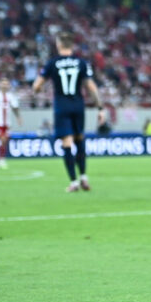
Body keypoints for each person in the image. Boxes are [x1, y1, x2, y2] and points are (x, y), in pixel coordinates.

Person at [32, 32, 105, 192]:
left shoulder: (52, 63)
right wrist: (100, 108)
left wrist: (39, 91)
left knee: (67, 142)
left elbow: (36, 86)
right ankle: (84, 177)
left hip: (62, 106)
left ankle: (73, 182)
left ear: (58, 44)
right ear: (72, 45)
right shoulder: (81, 63)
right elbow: (91, 87)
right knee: (79, 139)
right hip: (78, 105)